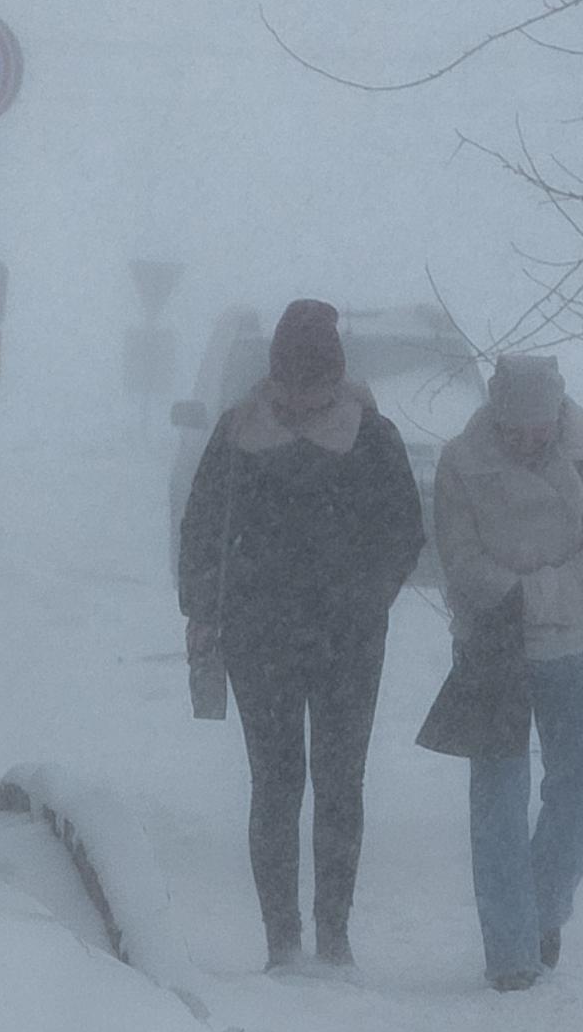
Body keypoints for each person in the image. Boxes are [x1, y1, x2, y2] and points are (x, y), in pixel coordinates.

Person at [178, 299, 424, 972]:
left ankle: (333, 933)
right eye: (291, 382)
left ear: (337, 378)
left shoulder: (373, 437)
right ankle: (282, 938)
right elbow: (202, 530)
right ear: (275, 373)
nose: (301, 398)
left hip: (346, 642)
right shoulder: (237, 433)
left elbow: (405, 533)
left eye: (313, 384)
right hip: (262, 641)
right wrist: (203, 610)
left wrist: (364, 596)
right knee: (277, 784)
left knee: (341, 784)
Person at [434, 354, 583, 991]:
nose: (529, 442)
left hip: (581, 642)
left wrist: (547, 596)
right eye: (516, 432)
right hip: (494, 644)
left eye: (540, 431)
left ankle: (542, 907)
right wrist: (511, 599)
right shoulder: (460, 462)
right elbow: (459, 555)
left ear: (559, 417)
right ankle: (511, 953)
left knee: (580, 790)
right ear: (497, 419)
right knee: (498, 799)